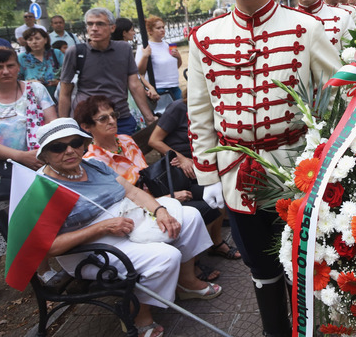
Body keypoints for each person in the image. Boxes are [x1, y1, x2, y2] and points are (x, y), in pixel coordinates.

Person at [187, 0, 341, 337]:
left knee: (304, 259)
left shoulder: (304, 29)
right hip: (237, 172)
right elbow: (199, 111)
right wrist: (208, 175)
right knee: (260, 264)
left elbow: (337, 95)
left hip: (297, 168)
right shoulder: (204, 37)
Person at [36, 118, 219, 337]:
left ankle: (187, 282)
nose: (69, 150)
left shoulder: (94, 165)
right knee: (165, 256)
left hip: (129, 221)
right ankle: (138, 315)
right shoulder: (43, 189)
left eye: (75, 143)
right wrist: (101, 227)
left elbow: (132, 193)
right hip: (89, 248)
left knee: (189, 216)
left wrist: (159, 210)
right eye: (58, 147)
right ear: (44, 155)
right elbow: (50, 247)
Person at [0, 47, 57, 317]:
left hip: (35, 168)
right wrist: (19, 156)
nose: (5, 71)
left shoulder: (35, 90)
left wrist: (40, 155)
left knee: (36, 223)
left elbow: (52, 123)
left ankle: (44, 270)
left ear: (18, 66)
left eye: (10, 65)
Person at [148, 96, 241, 261]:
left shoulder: (216, 106)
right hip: (181, 172)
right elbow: (154, 140)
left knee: (223, 191)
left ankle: (216, 242)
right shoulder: (179, 108)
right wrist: (181, 159)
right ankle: (203, 252)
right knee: (214, 196)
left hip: (201, 167)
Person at [58, 8, 157, 135]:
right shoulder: (75, 52)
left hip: (120, 118)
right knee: (93, 155)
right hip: (89, 122)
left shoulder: (124, 49)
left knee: (124, 153)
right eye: (90, 24)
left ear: (112, 28)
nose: (94, 28)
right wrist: (64, 126)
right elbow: (65, 92)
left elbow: (134, 85)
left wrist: (149, 118)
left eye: (100, 24)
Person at [136, 16, 183, 100]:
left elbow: (175, 67)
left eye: (163, 27)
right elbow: (140, 72)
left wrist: (178, 57)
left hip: (175, 86)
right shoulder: (145, 47)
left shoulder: (168, 45)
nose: (162, 30)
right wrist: (145, 56)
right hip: (159, 89)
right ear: (150, 31)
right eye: (158, 28)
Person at [18, 27, 65, 99]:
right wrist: (29, 83)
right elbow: (16, 79)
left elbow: (68, 73)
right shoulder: (22, 58)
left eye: (37, 38)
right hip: (34, 98)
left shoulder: (56, 53)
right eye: (30, 40)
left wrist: (58, 82)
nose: (34, 42)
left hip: (58, 96)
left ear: (45, 40)